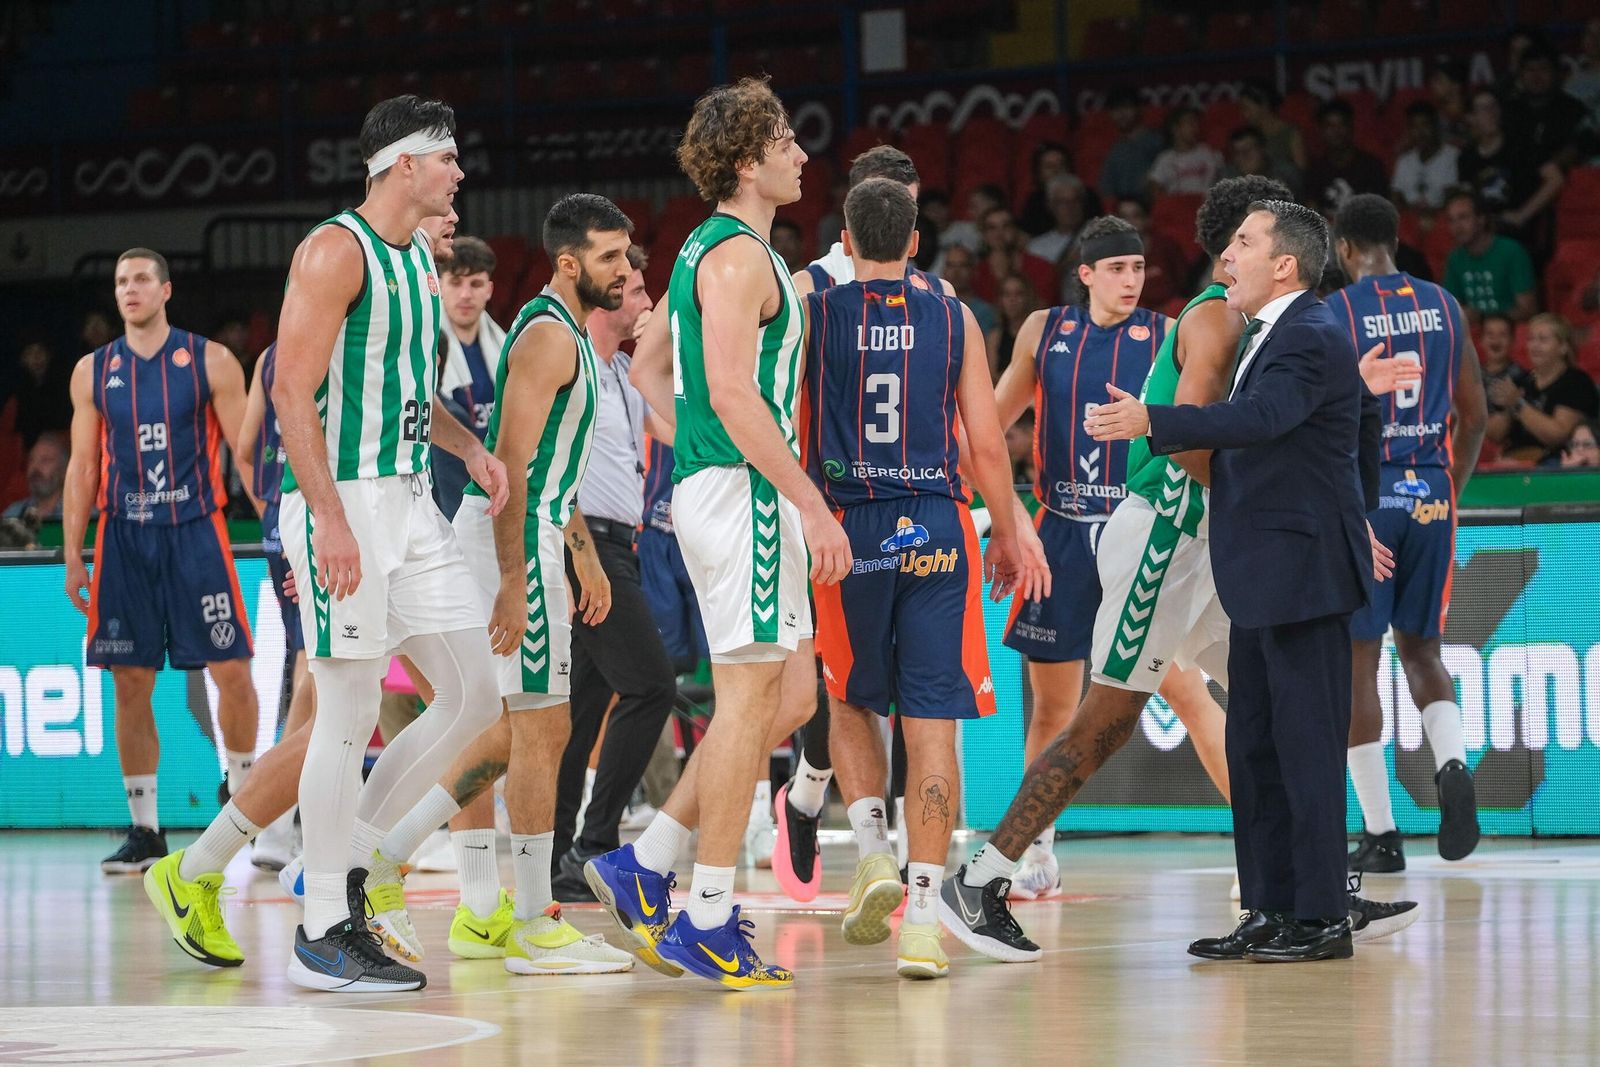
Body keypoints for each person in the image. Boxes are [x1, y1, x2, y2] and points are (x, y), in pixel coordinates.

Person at [587, 76, 852, 991]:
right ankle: (704, 914)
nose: (801, 153)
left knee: (787, 697)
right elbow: (735, 392)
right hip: (747, 491)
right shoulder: (739, 256)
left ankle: (647, 860)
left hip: (723, 484)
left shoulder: (705, 247)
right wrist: (805, 499)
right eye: (785, 140)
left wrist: (687, 439)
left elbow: (647, 364)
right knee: (750, 705)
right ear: (747, 160)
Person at [1087, 198, 1384, 963]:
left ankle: (1321, 918)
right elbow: (1362, 432)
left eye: (1245, 245)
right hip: (1260, 573)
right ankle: (1270, 908)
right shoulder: (1273, 333)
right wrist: (1357, 511)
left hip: (1304, 576)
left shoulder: (1310, 334)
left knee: (1304, 751)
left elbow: (1259, 418)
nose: (1228, 258)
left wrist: (1154, 420)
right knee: (1255, 748)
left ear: (1284, 264)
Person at [261, 95, 511, 992]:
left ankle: (352, 859)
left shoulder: (415, 260)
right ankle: (322, 921)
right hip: (347, 502)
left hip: (410, 501)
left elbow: (410, 393)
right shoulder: (336, 250)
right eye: (447, 157)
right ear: (403, 164)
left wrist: (470, 446)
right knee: (349, 708)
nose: (458, 171)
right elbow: (293, 393)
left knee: (477, 693)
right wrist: (327, 516)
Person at [362, 194, 639, 977]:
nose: (627, 270)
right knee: (539, 731)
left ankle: (399, 865)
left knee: (509, 731)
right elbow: (508, 467)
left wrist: (579, 550)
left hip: (537, 538)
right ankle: (527, 919)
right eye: (612, 257)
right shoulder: (551, 338)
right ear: (569, 263)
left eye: (628, 255)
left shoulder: (568, 335)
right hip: (509, 545)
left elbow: (550, 470)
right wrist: (516, 580)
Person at [803, 177, 1042, 979]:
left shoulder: (816, 311)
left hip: (848, 525)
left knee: (848, 693)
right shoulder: (954, 314)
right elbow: (984, 440)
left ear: (845, 234)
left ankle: (871, 848)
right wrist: (1009, 528)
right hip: (937, 523)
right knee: (933, 721)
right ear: (916, 241)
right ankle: (922, 920)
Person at [990, 215, 1218, 896]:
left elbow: (1200, 429)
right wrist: (1004, 518)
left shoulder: (1168, 335)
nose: (1131, 279)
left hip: (1138, 528)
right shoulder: (1044, 330)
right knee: (1051, 709)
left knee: (1190, 697)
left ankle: (1260, 844)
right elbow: (992, 423)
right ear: (1085, 273)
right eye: (1117, 268)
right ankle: (1036, 854)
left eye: (1139, 267)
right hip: (1060, 531)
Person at [778, 143, 956, 902]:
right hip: (819, 509)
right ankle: (817, 797)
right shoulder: (806, 288)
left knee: (875, 691)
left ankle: (816, 796)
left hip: (901, 515)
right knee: (834, 688)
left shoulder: (935, 300)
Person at [61, 247, 260, 876]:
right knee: (131, 682)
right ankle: (146, 830)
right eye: (121, 282)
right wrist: (73, 554)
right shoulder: (92, 371)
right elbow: (82, 467)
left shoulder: (210, 360)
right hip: (123, 537)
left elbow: (247, 454)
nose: (130, 289)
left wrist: (284, 530)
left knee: (231, 669)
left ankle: (247, 798)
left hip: (198, 531)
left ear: (166, 289)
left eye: (141, 279)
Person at [1330, 194, 1488, 872]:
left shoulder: (1335, 311)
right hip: (1431, 488)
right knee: (1424, 652)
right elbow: (1475, 416)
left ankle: (1382, 833)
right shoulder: (1446, 306)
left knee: (1357, 660)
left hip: (1368, 494)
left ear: (1341, 250)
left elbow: (1329, 419)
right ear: (1396, 241)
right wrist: (1449, 489)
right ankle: (1452, 765)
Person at [546, 245, 679, 901]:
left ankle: (556, 856)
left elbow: (682, 426)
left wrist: (667, 350)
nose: (647, 299)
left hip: (620, 544)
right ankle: (595, 845)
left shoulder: (626, 371)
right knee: (652, 685)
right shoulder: (568, 359)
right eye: (633, 290)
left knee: (580, 712)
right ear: (603, 298)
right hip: (584, 544)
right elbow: (541, 464)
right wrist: (577, 553)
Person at [233, 341, 315, 871]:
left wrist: (269, 509)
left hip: (283, 521)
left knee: (318, 673)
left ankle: (280, 827)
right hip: (322, 518)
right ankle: (276, 824)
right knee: (318, 673)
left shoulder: (267, 357)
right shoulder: (335, 342)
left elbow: (244, 451)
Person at [433, 233, 501, 521]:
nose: (465, 295)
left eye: (475, 284)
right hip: (443, 496)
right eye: (456, 282)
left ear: (489, 289)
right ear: (439, 286)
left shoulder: (509, 349)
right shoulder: (426, 348)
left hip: (496, 487)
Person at [1486, 313, 1600, 464]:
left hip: (1555, 461)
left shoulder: (1576, 382)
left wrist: (1518, 404)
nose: (1534, 345)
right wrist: (1508, 407)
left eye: (1543, 339)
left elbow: (1558, 435)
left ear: (1563, 347)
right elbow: (1496, 435)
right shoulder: (1522, 381)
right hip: (1514, 459)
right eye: (1531, 339)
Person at [1457, 89, 1565, 244]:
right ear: (1471, 118)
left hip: (1518, 230)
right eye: (1484, 109)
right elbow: (1466, 197)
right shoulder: (1466, 158)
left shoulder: (1521, 146)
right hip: (1482, 230)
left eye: (1494, 107)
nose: (1491, 113)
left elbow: (1555, 179)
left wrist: (1522, 215)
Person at [1442, 190, 1537, 324]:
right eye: (1451, 220)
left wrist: (1482, 317)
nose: (1457, 227)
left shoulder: (1511, 251)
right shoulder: (1455, 258)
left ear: (1481, 219)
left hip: (1509, 333)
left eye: (1463, 217)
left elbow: (1528, 310)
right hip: (1472, 334)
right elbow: (1450, 308)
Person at [1303, 99, 1389, 214]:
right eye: (1330, 126)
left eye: (1341, 124)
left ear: (1351, 127)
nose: (1336, 131)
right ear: (1321, 131)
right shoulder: (1316, 169)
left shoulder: (1371, 166)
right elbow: (1311, 207)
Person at [1115, 195, 1190, 310]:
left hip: (1170, 314)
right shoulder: (1110, 255)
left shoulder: (1167, 246)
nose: (1129, 223)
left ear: (1147, 219)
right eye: (1124, 218)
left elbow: (1184, 285)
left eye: (1136, 216)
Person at [973, 205, 1057, 306]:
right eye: (992, 228)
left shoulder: (1042, 267)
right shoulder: (976, 273)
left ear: (1016, 230)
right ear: (984, 234)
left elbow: (1046, 310)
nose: (999, 233)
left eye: (1006, 226)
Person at [1391, 102, 1460, 213]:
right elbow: (1395, 198)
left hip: (1442, 223)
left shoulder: (1452, 156)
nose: (1420, 132)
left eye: (1425, 125)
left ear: (1435, 126)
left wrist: (1428, 216)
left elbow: (1452, 200)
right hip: (1409, 223)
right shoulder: (1404, 161)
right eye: (1414, 126)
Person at [1100, 88, 1165, 203]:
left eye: (1126, 107)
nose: (1121, 114)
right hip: (1124, 212)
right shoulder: (1114, 151)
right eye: (1115, 109)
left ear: (1139, 109)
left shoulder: (1157, 142)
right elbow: (1107, 191)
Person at [1238, 83, 1307, 184]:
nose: (1243, 113)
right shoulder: (1248, 136)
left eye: (1246, 108)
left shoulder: (1290, 134)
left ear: (1264, 104)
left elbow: (1301, 173)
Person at [1148, 106, 1224, 197]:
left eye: (1196, 122)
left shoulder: (1210, 152)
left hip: (1206, 205)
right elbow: (1154, 187)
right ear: (1175, 128)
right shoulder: (1165, 159)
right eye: (1190, 122)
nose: (1195, 127)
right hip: (1178, 206)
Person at [1025, 173, 1090, 279]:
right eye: (1063, 202)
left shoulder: (1100, 235)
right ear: (1051, 206)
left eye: (1075, 201)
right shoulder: (1037, 248)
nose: (1070, 207)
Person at [987, 274, 1042, 380]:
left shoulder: (1039, 335)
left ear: (1028, 298)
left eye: (1019, 294)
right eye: (1007, 294)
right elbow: (990, 378)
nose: (1012, 300)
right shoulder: (994, 337)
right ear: (1000, 300)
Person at [3, 431, 67, 522]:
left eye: (45, 460)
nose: (35, 468)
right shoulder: (14, 514)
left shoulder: (82, 517)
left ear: (64, 471)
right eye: (31, 460)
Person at [1220, 126, 1301, 197]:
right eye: (1237, 152)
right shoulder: (1227, 179)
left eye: (1249, 149)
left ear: (1262, 149)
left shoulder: (1285, 172)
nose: (1244, 156)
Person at [1017, 141, 1072, 236]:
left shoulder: (1087, 196)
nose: (1056, 170)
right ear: (1039, 173)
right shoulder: (1034, 203)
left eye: (1061, 165)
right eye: (1049, 167)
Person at [940, 244, 998, 335]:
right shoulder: (934, 307)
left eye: (962, 265)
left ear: (974, 271)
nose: (956, 272)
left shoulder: (985, 312)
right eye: (951, 265)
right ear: (943, 270)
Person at [1478, 313, 1526, 414]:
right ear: (1481, 340)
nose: (1496, 341)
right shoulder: (1472, 375)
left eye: (1503, 335)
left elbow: (1501, 426)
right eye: (1490, 334)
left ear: (1512, 341)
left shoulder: (1520, 377)